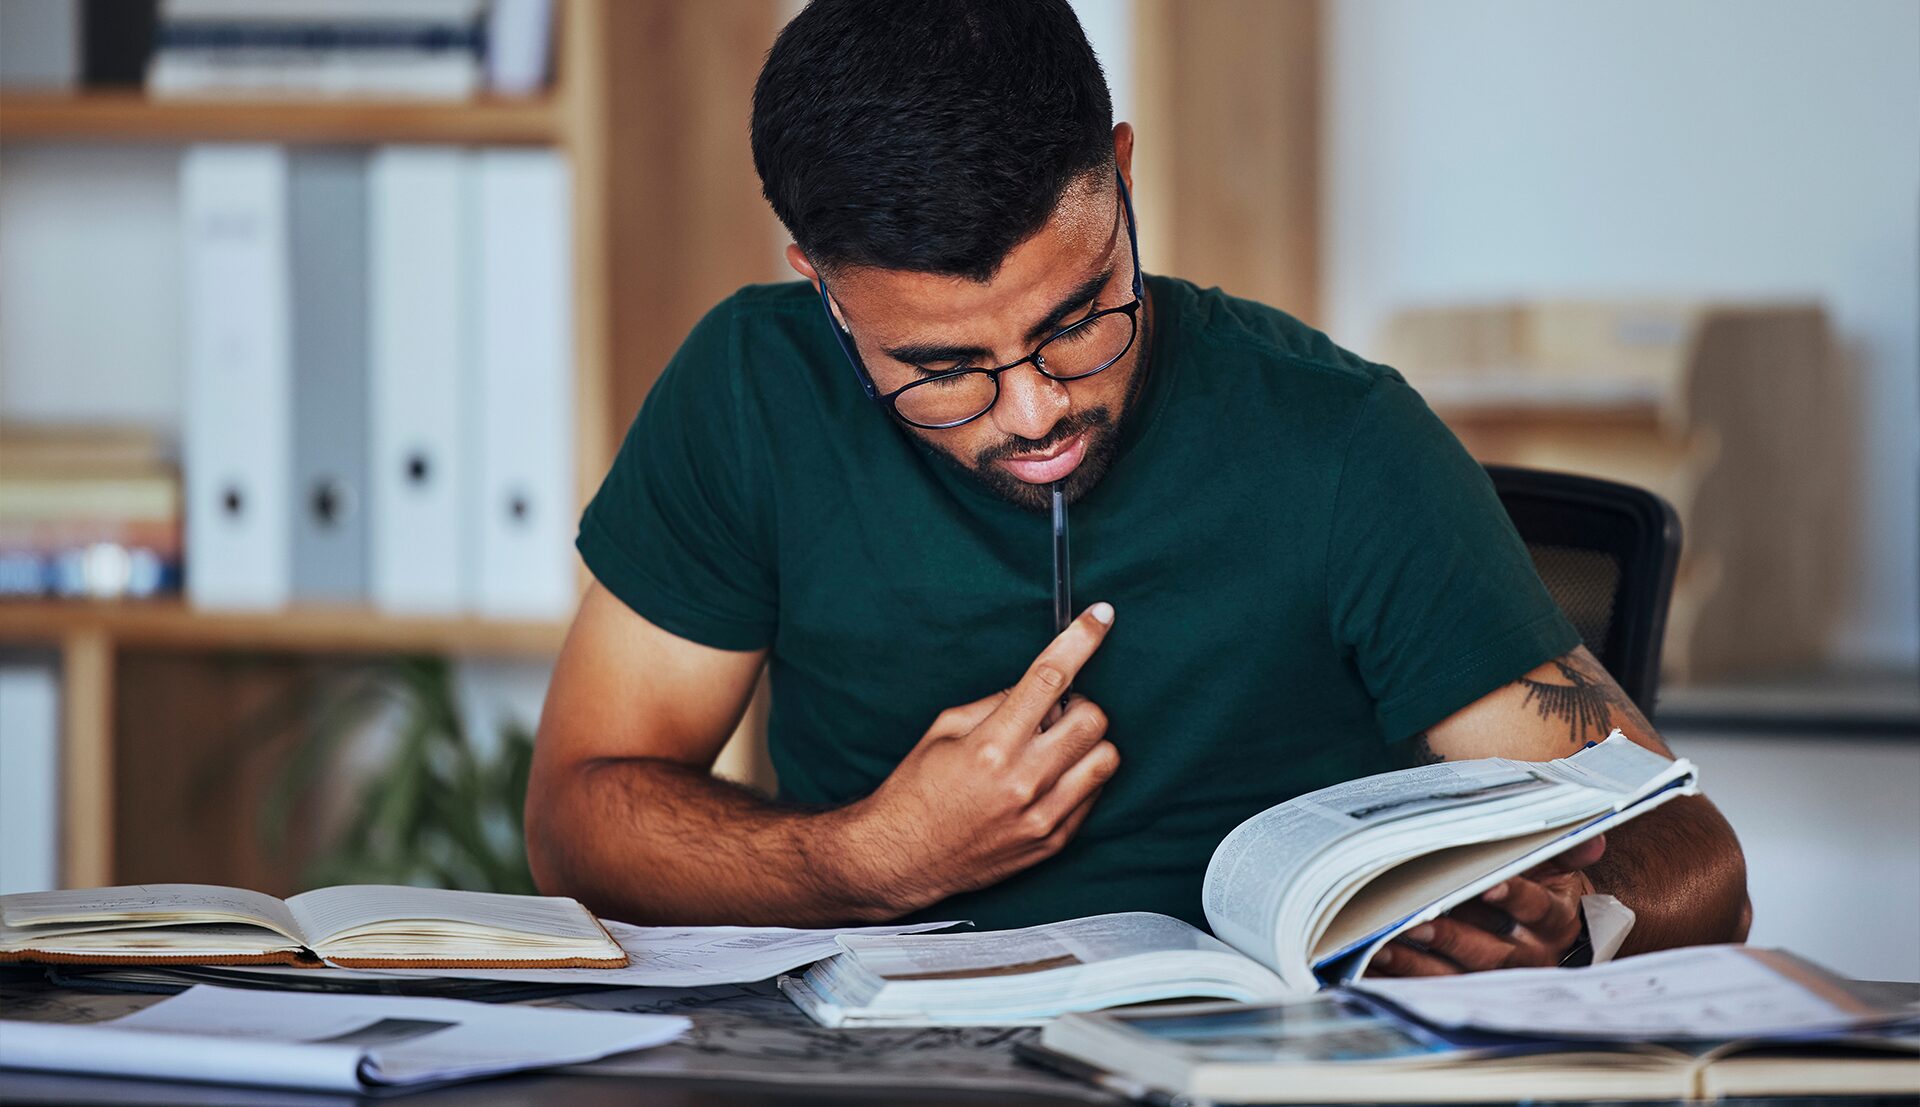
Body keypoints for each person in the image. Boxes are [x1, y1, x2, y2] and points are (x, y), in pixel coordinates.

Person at [525, 0, 1749, 976]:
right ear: (822, 283)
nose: (1034, 409)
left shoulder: (1342, 440)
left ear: (1119, 175)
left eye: (1075, 321)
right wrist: (872, 858)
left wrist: (1568, 922)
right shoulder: (751, 388)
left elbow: (1691, 858)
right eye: (940, 367)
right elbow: (576, 819)